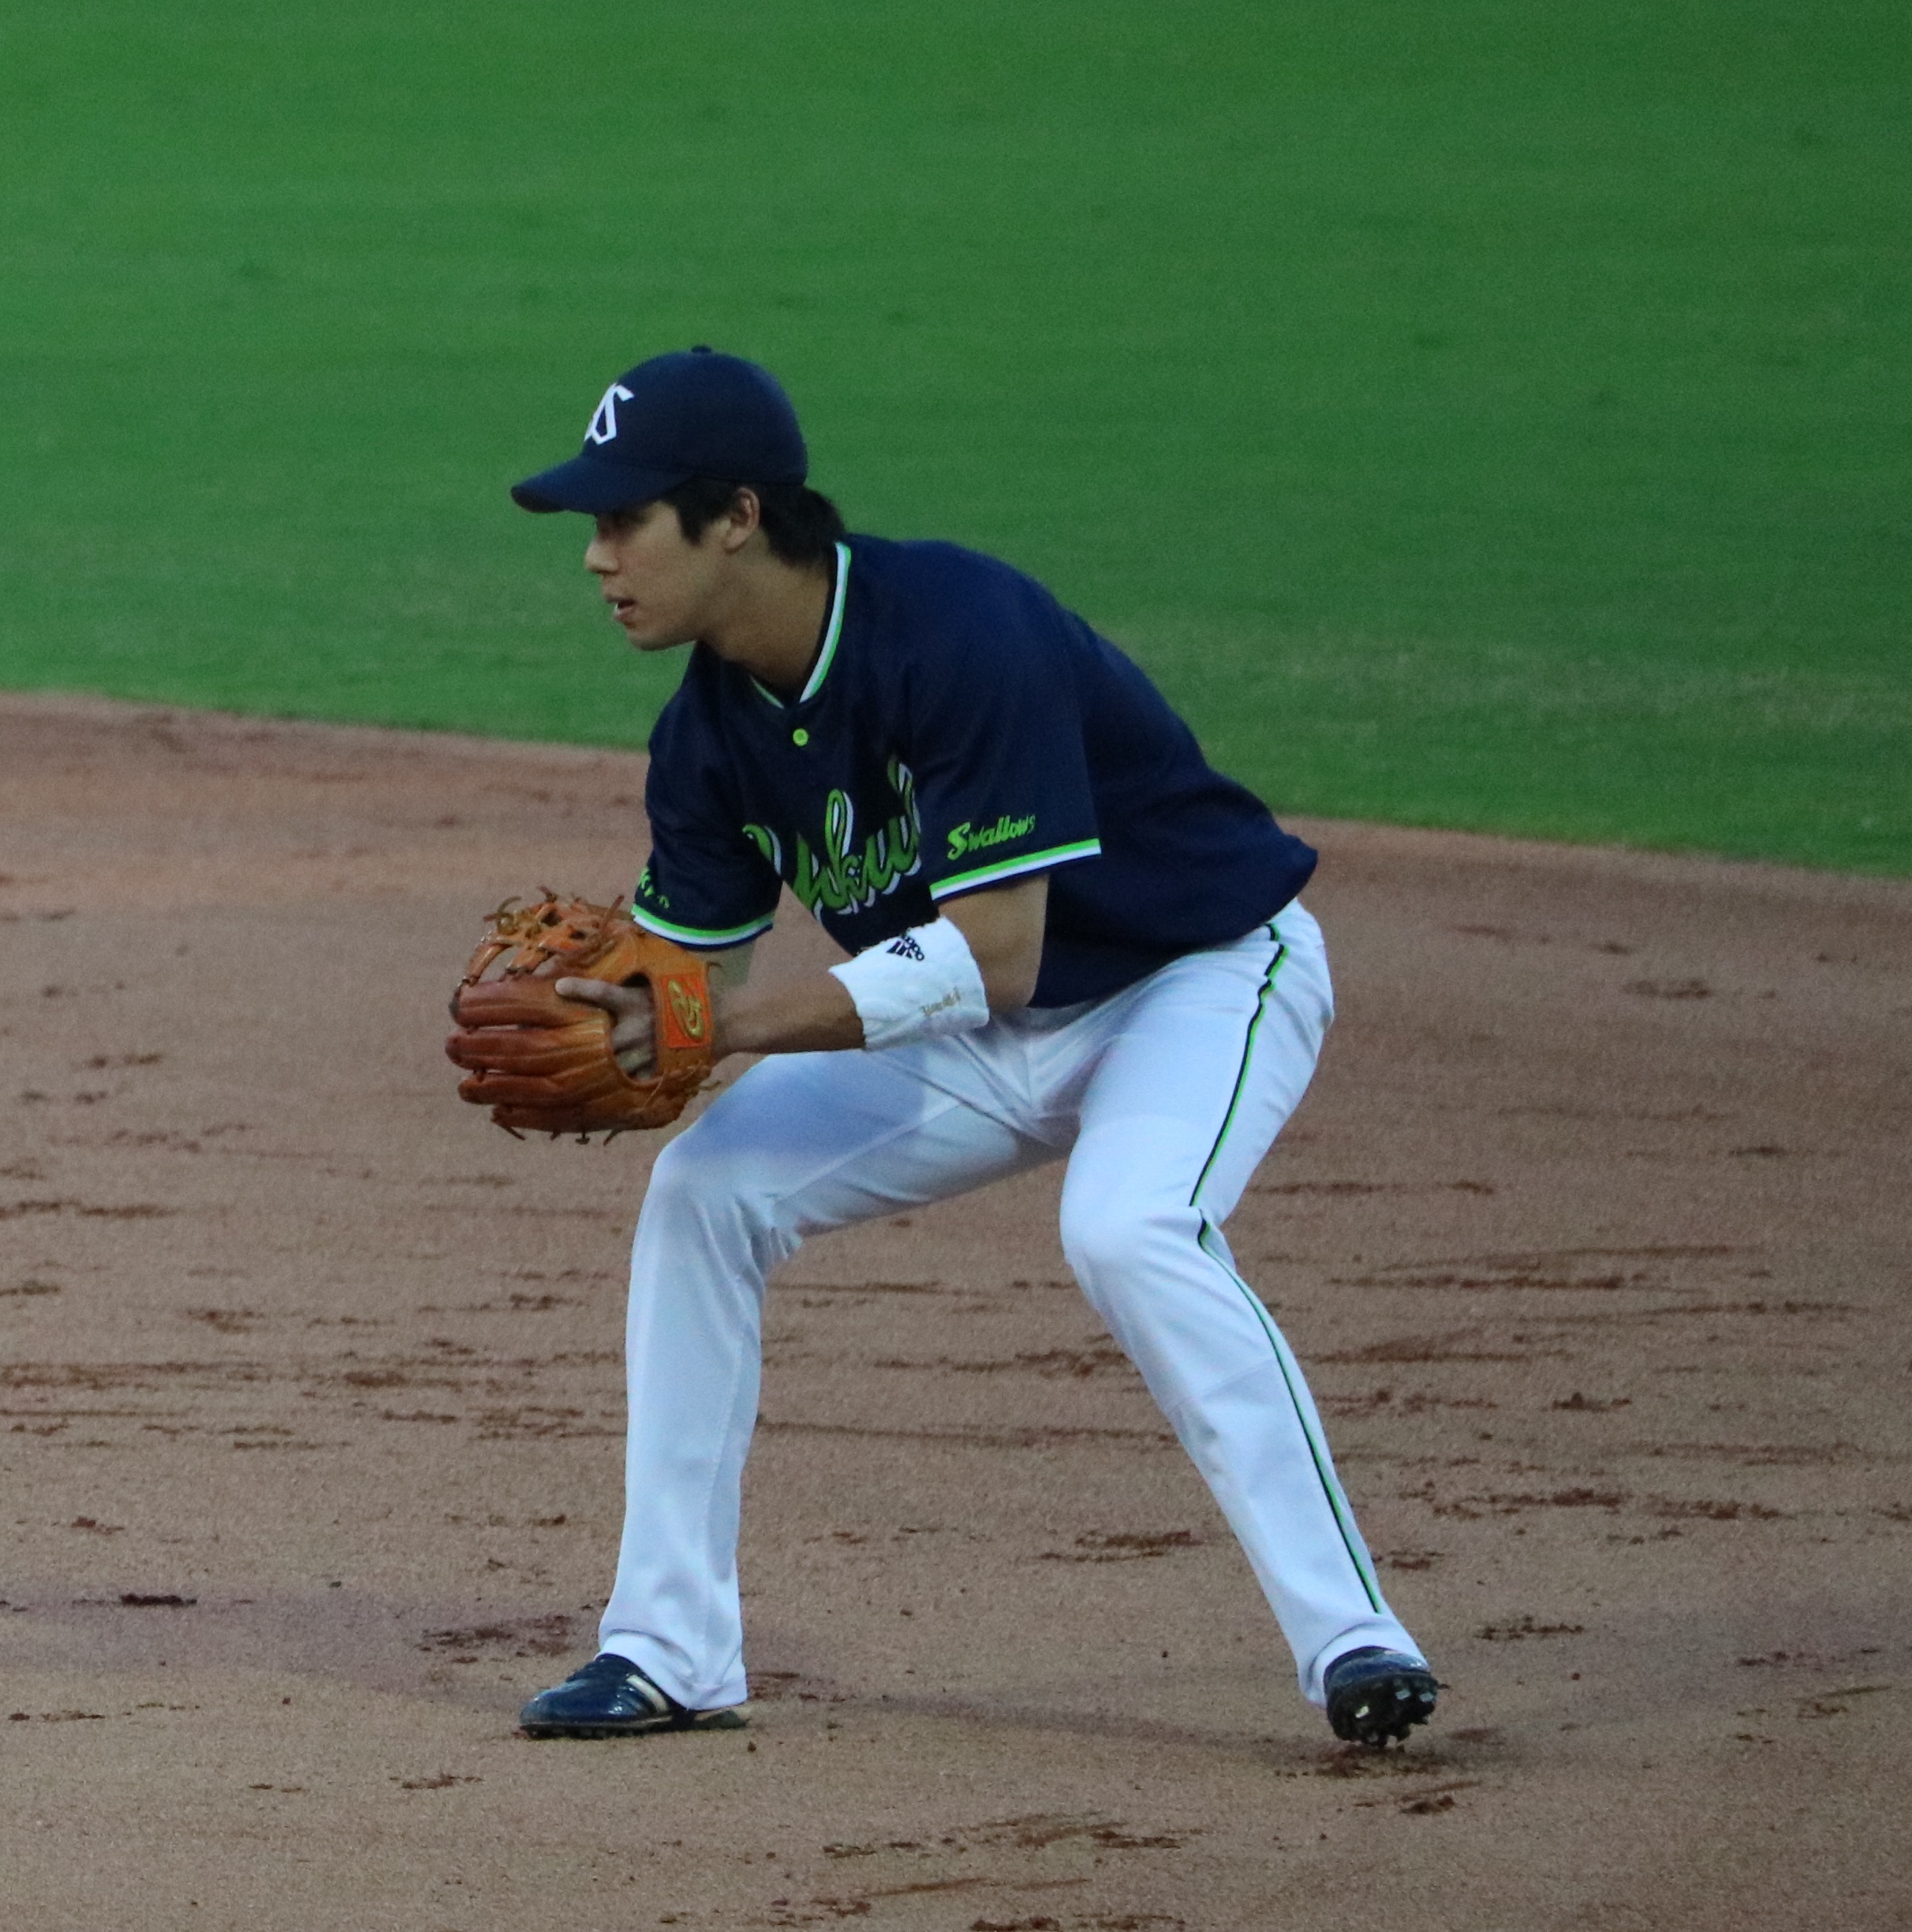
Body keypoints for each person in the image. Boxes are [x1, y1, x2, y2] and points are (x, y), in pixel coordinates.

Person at [502, 347, 1438, 1747]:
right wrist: (631, 1037)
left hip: (1187, 979)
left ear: (738, 516)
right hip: (977, 1032)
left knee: (1129, 1226)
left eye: (624, 520)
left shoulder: (957, 627)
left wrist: (720, 1026)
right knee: (704, 1192)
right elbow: (695, 986)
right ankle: (668, 1646)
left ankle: (1353, 1635)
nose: (596, 557)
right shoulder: (705, 735)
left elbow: (995, 952)